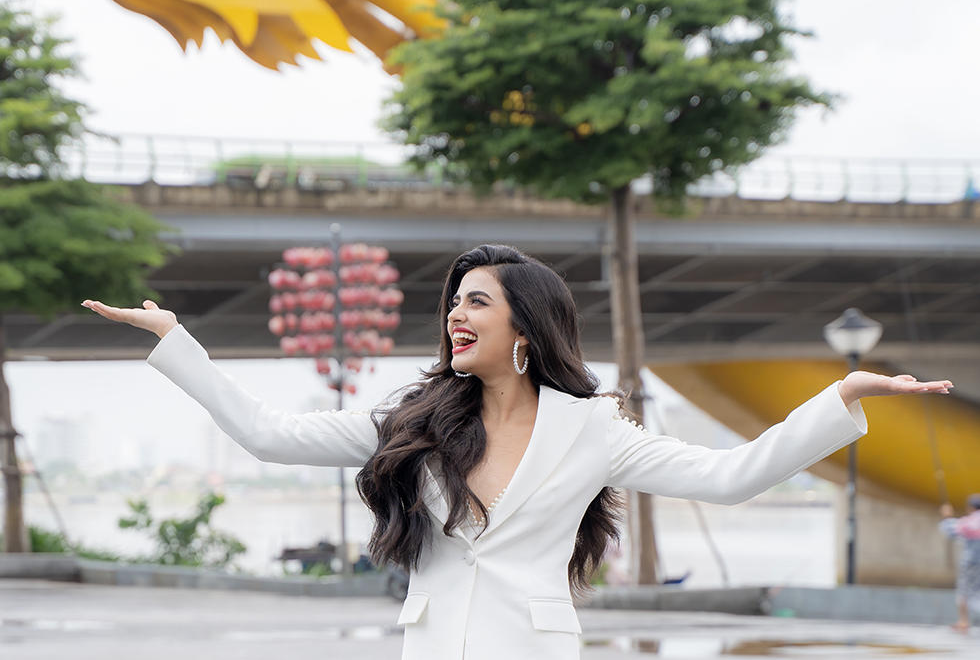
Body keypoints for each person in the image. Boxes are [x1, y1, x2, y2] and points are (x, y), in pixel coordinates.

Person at [81, 244, 953, 660]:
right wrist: (176, 339)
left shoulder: (592, 429)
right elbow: (268, 432)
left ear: (525, 326)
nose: (455, 316)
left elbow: (730, 478)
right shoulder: (409, 422)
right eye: (453, 303)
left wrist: (838, 398)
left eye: (477, 303)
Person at [940, 495, 980, 632]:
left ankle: (964, 621)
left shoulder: (968, 521)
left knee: (964, 590)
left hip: (970, 563)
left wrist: (947, 516)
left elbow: (952, 531)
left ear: (970, 508)